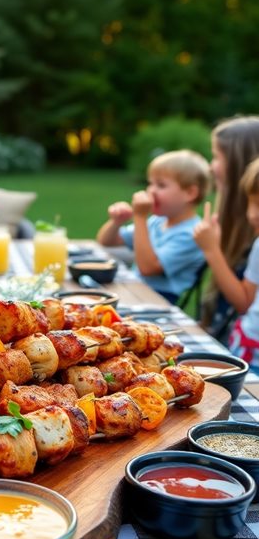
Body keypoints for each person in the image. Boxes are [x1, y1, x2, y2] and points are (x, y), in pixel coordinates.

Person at [97, 149, 210, 303]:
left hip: (158, 300)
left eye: (161, 185)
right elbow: (107, 241)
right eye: (150, 184)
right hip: (137, 291)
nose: (151, 190)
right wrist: (116, 222)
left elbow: (148, 269)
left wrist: (139, 217)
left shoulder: (192, 234)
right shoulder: (157, 221)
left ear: (190, 193)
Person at [197, 116, 259, 340]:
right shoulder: (233, 224)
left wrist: (211, 249)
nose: (211, 166)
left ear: (236, 164)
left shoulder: (254, 235)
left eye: (216, 157)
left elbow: (244, 302)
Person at [194, 158, 259, 371]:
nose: (255, 214)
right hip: (250, 350)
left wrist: (212, 250)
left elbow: (242, 302)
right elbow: (246, 301)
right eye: (256, 203)